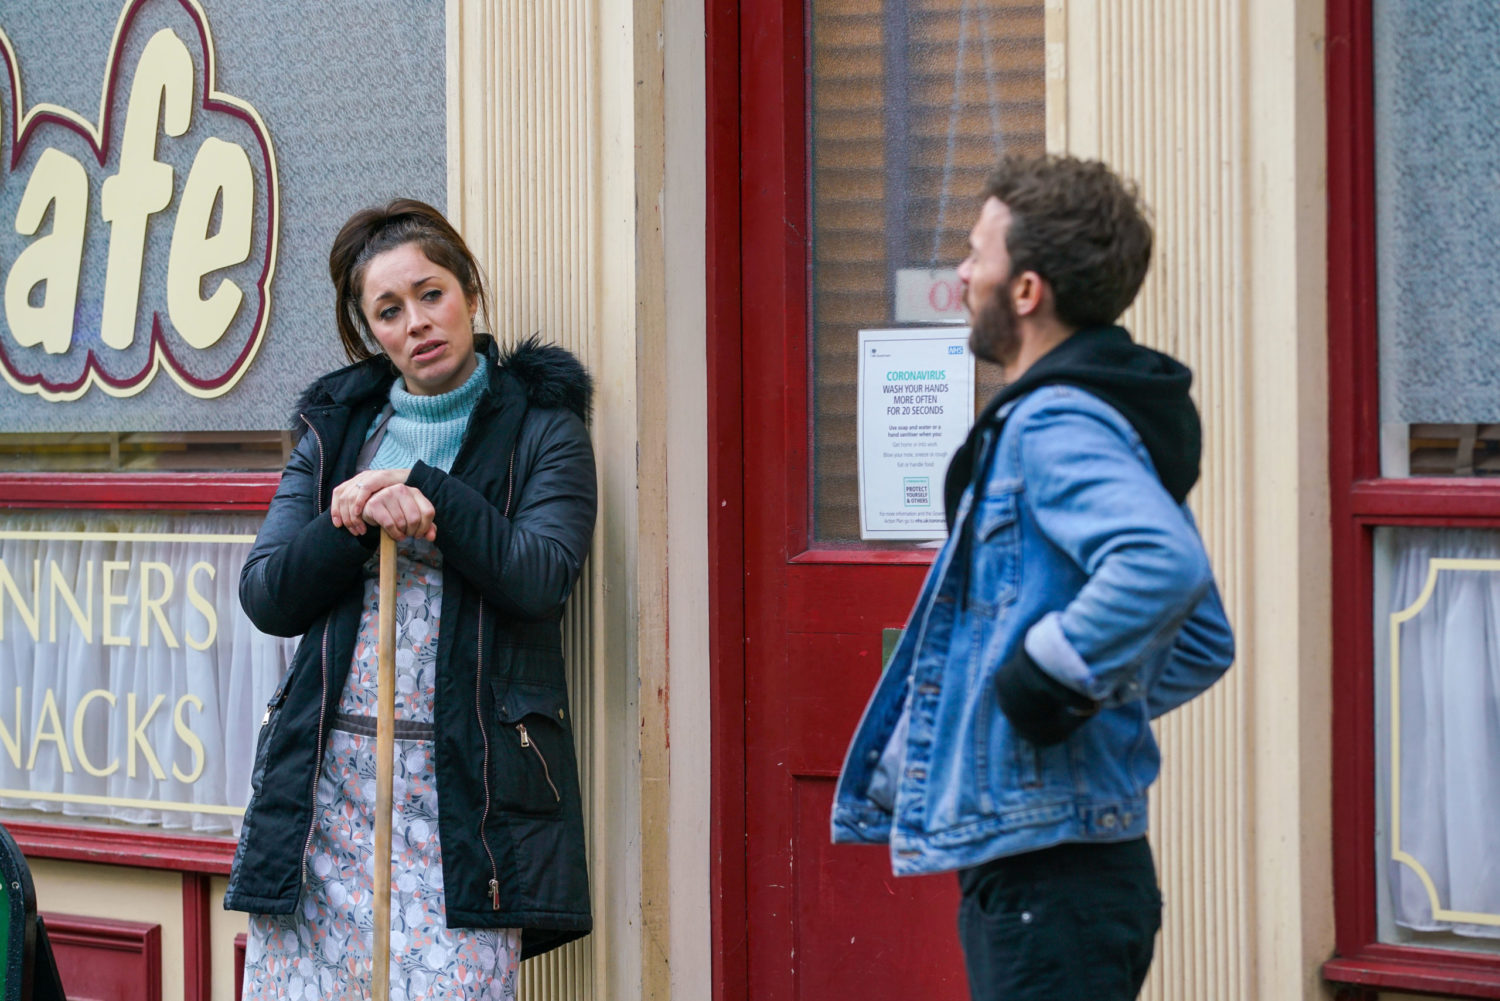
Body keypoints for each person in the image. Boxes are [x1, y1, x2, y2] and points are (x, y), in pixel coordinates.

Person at [831, 154, 1235, 1000]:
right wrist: (1076, 698)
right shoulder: (1103, 415)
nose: (963, 273)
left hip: (1049, 873)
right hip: (1068, 867)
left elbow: (1164, 565)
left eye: (977, 252)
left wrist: (1040, 679)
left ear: (1026, 290)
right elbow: (1200, 638)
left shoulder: (1054, 422)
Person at [225, 199, 597, 1000]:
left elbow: (539, 575)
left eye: (432, 293)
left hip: (469, 795)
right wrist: (355, 514)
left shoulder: (542, 428)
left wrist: (423, 489)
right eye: (388, 310)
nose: (418, 322)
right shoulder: (335, 430)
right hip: (323, 794)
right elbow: (267, 593)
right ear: (369, 332)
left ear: (469, 289)